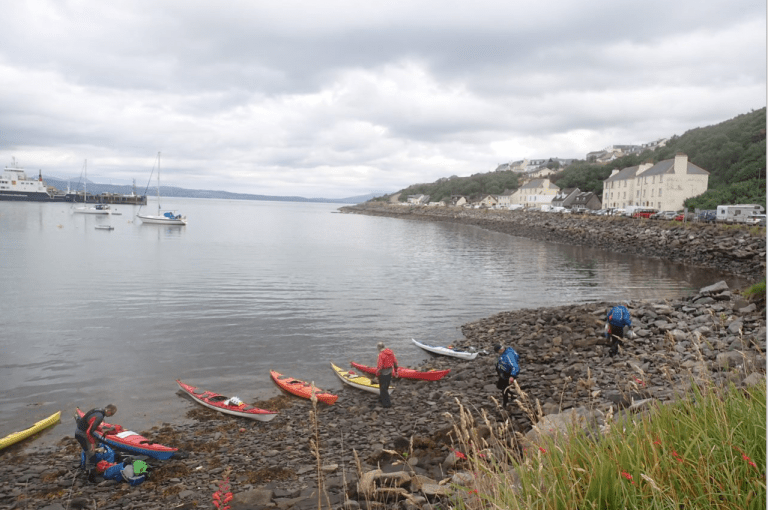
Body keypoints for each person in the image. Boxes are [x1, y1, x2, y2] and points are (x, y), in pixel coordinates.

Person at [75, 405, 117, 480]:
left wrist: (102, 429)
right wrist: (92, 443)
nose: (110, 416)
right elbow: (89, 432)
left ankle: (86, 465)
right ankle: (90, 474)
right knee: (91, 452)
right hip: (81, 433)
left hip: (80, 430)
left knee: (91, 448)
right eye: (111, 415)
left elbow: (90, 422)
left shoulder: (98, 410)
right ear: (109, 412)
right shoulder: (100, 417)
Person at [374, 342, 399, 408]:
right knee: (386, 386)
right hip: (389, 371)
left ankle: (386, 404)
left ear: (378, 348)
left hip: (383, 372)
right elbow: (395, 363)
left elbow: (380, 366)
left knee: (383, 388)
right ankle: (382, 399)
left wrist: (377, 374)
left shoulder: (381, 354)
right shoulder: (391, 352)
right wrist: (396, 372)